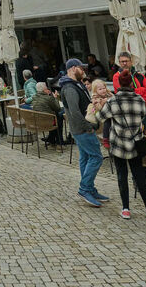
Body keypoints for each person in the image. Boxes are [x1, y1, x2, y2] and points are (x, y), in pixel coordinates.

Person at [96, 70, 146, 221]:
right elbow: (143, 115)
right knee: (139, 175)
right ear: (131, 83)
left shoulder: (113, 101)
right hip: (136, 143)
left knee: (122, 176)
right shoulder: (139, 99)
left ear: (119, 84)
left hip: (119, 144)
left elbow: (100, 117)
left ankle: (126, 209)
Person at [59, 58, 106, 208]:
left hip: (80, 128)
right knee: (96, 157)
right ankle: (85, 189)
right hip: (82, 129)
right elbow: (74, 112)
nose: (84, 70)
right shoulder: (69, 88)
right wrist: (88, 126)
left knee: (85, 158)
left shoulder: (75, 84)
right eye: (81, 68)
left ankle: (90, 189)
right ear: (73, 69)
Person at [112, 51, 146, 115]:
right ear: (119, 63)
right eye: (122, 61)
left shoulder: (139, 75)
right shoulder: (117, 77)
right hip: (127, 112)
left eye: (126, 61)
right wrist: (142, 90)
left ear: (131, 62)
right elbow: (126, 95)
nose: (124, 63)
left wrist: (134, 92)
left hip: (144, 111)